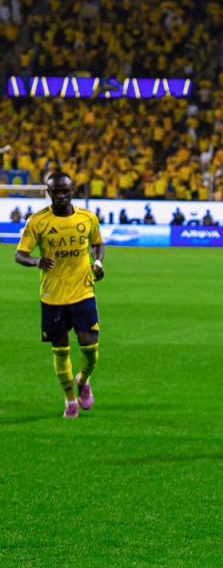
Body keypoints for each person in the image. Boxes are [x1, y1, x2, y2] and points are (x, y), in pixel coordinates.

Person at [15, 172, 105, 419]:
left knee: (90, 348)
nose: (61, 196)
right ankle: (69, 400)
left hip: (83, 292)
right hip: (52, 297)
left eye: (65, 191)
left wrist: (98, 262)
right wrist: (36, 261)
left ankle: (83, 379)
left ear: (72, 190)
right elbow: (20, 254)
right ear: (49, 192)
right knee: (61, 350)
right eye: (56, 192)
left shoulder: (87, 218)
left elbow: (98, 242)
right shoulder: (38, 221)